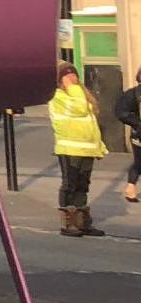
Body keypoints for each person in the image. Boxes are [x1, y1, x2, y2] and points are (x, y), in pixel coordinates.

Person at [49, 62, 107, 236]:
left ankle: (82, 221)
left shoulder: (81, 95)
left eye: (74, 75)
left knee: (83, 184)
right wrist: (73, 88)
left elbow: (89, 124)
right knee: (70, 184)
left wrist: (99, 146)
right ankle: (69, 222)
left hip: (86, 148)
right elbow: (78, 109)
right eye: (67, 76)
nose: (72, 78)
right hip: (69, 148)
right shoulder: (58, 96)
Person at [116, 69, 141, 205]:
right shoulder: (133, 94)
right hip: (139, 134)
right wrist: (137, 123)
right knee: (139, 162)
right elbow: (121, 112)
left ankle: (130, 187)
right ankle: (130, 187)